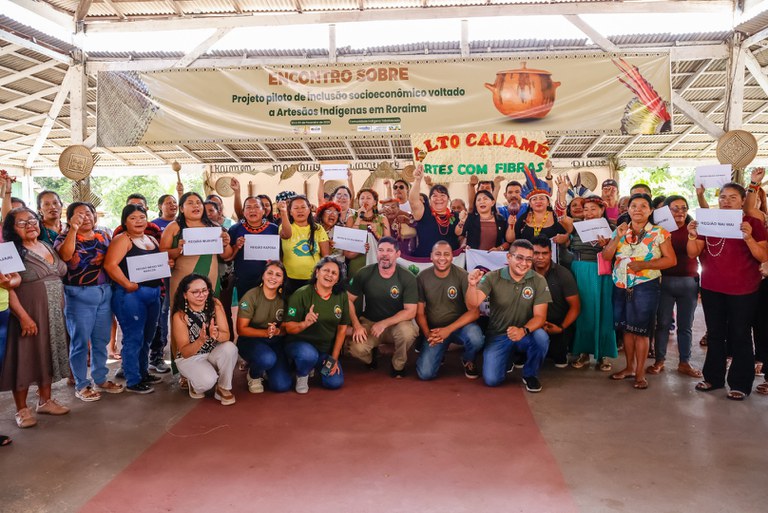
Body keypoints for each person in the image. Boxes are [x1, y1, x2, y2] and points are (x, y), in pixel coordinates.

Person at [687, 183, 768, 400]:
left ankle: (740, 383)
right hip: (712, 287)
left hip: (744, 290)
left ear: (742, 201)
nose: (726, 201)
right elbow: (693, 253)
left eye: (733, 197)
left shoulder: (752, 223)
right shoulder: (708, 221)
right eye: (723, 197)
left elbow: (763, 256)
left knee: (740, 334)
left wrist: (748, 237)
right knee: (715, 334)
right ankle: (713, 378)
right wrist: (692, 235)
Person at [0, 208, 68, 428]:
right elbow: (7, 287)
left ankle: (45, 400)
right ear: (12, 229)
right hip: (28, 312)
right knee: (24, 357)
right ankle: (22, 409)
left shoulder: (46, 245)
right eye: (22, 223)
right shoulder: (11, 251)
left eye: (32, 220)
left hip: (54, 313)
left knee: (46, 353)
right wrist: (23, 317)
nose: (30, 225)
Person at [602, 193, 676, 390]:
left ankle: (641, 373)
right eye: (634, 205)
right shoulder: (620, 230)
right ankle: (629, 368)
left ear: (650, 211)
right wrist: (617, 237)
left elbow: (671, 260)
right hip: (621, 284)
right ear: (628, 209)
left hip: (646, 285)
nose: (638, 209)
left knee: (641, 332)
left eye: (643, 206)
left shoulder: (659, 233)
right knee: (627, 329)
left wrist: (644, 265)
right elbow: (607, 256)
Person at [55, 202, 124, 401]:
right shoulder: (63, 237)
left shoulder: (103, 236)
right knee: (80, 342)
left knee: (100, 340)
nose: (85, 217)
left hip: (104, 293)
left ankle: (100, 379)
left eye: (88, 213)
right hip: (79, 295)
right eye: (79, 214)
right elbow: (66, 255)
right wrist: (73, 230)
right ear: (70, 219)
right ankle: (81, 384)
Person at [466, 240, 551, 392]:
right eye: (519, 258)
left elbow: (540, 317)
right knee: (492, 380)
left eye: (528, 259)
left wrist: (523, 331)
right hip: (498, 334)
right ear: (509, 257)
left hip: (525, 334)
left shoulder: (538, 280)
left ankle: (530, 374)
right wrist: (472, 285)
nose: (524, 263)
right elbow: (473, 304)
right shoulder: (492, 277)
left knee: (541, 337)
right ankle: (508, 358)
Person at [104, 204, 164, 394]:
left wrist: (167, 262)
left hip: (153, 293)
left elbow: (158, 262)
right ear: (125, 221)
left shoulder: (151, 239)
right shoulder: (122, 239)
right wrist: (127, 283)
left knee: (147, 337)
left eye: (142, 217)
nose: (139, 221)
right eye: (133, 218)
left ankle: (143, 372)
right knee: (133, 338)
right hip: (130, 295)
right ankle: (133, 379)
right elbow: (110, 265)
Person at [347, 237, 419, 377]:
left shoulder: (407, 277)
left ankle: (398, 365)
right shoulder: (364, 273)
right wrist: (356, 325)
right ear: (377, 253)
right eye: (381, 250)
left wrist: (384, 323)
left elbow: (410, 312)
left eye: (389, 251)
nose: (384, 254)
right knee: (356, 348)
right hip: (370, 323)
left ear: (397, 254)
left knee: (407, 333)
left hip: (397, 324)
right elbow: (347, 300)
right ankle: (370, 359)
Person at [648, 195, 701, 378]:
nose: (680, 212)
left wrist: (692, 235)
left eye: (684, 208)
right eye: (675, 208)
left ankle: (684, 362)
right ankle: (659, 360)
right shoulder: (659, 230)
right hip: (664, 281)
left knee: (685, 326)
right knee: (662, 323)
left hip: (689, 282)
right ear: (666, 211)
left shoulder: (693, 228)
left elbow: (694, 253)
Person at [415, 241, 483, 380]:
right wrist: (428, 334)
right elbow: (420, 313)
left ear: (452, 257)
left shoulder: (462, 276)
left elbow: (475, 312)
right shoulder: (422, 277)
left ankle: (468, 359)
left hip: (461, 327)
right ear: (431, 256)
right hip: (436, 330)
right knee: (425, 374)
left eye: (446, 254)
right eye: (438, 254)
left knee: (476, 338)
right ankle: (439, 352)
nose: (442, 258)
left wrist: (448, 330)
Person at [283, 257, 349, 393]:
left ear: (337, 279)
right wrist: (304, 323)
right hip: (299, 347)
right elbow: (288, 327)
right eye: (326, 270)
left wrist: (334, 358)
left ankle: (313, 367)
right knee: (308, 355)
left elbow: (342, 328)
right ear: (317, 272)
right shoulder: (301, 294)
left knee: (334, 382)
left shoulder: (341, 296)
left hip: (324, 351)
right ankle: (302, 374)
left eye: (334, 273)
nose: (329, 275)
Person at [172, 273, 238, 405]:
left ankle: (223, 387)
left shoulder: (215, 304)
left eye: (204, 290)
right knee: (207, 381)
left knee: (230, 348)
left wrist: (216, 335)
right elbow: (185, 352)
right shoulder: (180, 316)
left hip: (212, 352)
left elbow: (226, 336)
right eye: (195, 292)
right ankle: (194, 385)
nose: (201, 295)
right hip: (190, 358)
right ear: (185, 295)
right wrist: (200, 340)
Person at [569, 197, 617, 371]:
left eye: (593, 209)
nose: (589, 213)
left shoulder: (612, 227)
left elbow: (618, 253)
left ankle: (603, 354)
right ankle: (583, 352)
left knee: (604, 311)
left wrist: (607, 246)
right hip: (580, 270)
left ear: (602, 210)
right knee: (584, 311)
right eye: (586, 209)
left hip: (602, 271)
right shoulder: (576, 225)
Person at [236, 261, 290, 393]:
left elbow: (285, 329)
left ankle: (265, 367)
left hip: (275, 341)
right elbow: (241, 329)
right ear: (263, 276)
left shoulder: (285, 299)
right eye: (269, 273)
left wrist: (277, 331)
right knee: (267, 358)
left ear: (282, 281)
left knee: (281, 385)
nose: (273, 277)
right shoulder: (251, 296)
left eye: (278, 275)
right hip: (251, 340)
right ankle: (254, 375)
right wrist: (265, 333)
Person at [531, 237, 580, 368]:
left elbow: (575, 307)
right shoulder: (524, 272)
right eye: (536, 253)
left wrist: (561, 328)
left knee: (558, 358)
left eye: (544, 253)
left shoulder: (563, 274)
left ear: (551, 253)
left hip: (557, 325)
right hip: (531, 324)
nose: (540, 257)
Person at [227, 196, 280, 297]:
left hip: (269, 279)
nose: (252, 210)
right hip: (243, 280)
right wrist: (236, 246)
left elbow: (281, 255)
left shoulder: (274, 229)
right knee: (245, 306)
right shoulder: (235, 230)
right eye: (248, 207)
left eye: (256, 206)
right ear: (243, 212)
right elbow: (228, 258)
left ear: (263, 211)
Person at [279, 195, 330, 296]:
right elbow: (287, 234)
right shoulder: (284, 226)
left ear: (309, 210)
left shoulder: (318, 229)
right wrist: (283, 212)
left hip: (313, 279)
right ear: (290, 212)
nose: (300, 211)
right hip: (290, 279)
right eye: (296, 208)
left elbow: (326, 256)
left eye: (303, 207)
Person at [409, 165, 460, 257]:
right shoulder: (424, 212)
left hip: (450, 261)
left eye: (442, 195)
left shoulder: (456, 216)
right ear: (430, 200)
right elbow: (413, 201)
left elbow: (461, 237)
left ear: (448, 199)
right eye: (434, 196)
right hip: (425, 261)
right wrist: (417, 180)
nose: (439, 198)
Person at [344, 188, 390, 277]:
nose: (365, 200)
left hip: (377, 263)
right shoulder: (351, 219)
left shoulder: (383, 219)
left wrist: (377, 234)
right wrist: (358, 219)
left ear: (375, 202)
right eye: (362, 198)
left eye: (368, 198)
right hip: (357, 263)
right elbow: (348, 245)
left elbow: (389, 245)